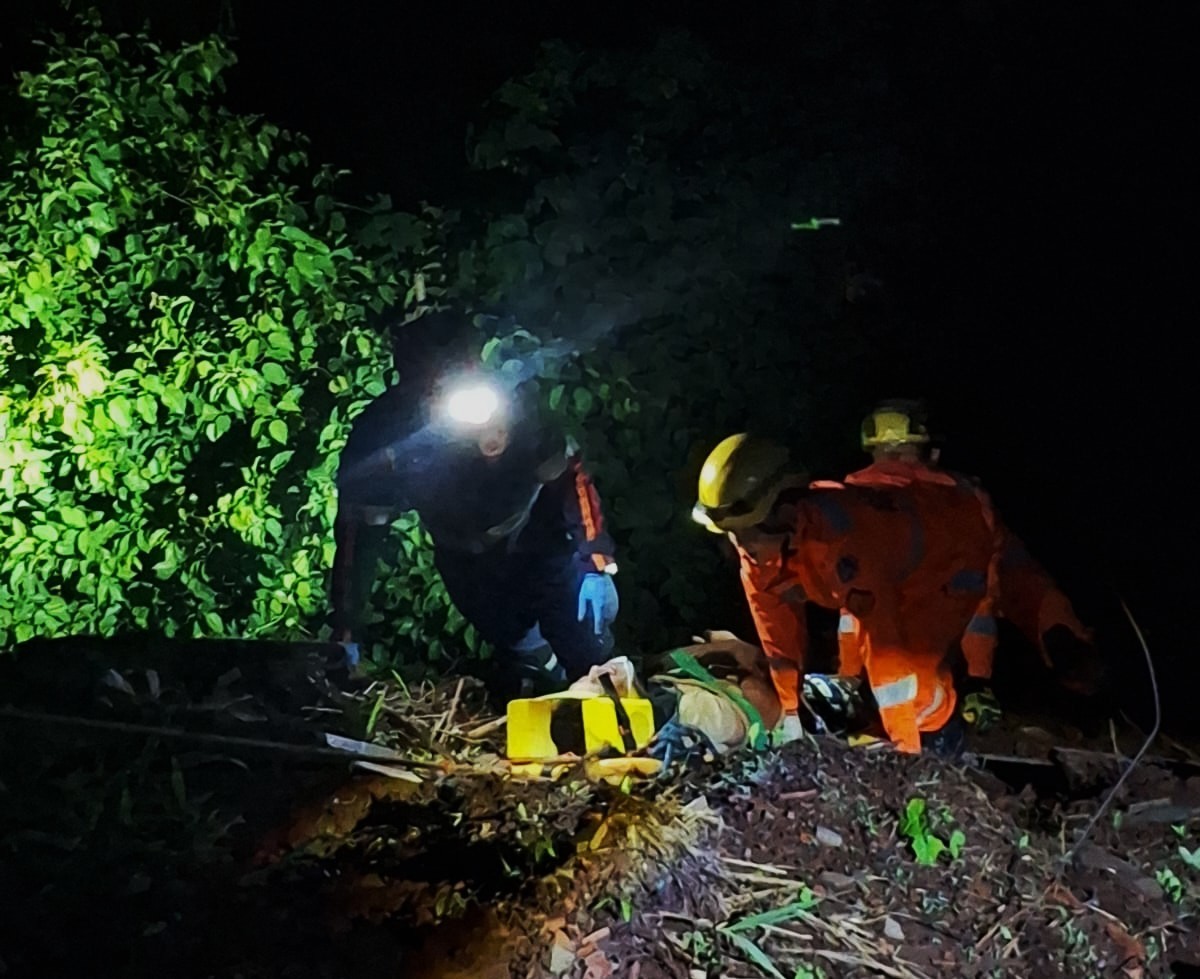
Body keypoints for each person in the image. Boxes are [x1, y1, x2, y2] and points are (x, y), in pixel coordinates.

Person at [330, 312, 619, 701]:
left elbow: (571, 475)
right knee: (526, 661)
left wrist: (595, 560)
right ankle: (546, 700)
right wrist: (347, 631)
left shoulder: (512, 410)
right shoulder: (384, 432)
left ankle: (614, 719)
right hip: (466, 563)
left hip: (545, 544)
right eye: (426, 385)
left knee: (586, 648)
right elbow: (357, 535)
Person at [692, 433, 1000, 755]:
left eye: (748, 531)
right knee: (860, 676)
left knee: (915, 689)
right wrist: (790, 712)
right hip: (875, 579)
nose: (742, 545)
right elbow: (777, 637)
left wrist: (905, 752)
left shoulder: (845, 540)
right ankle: (879, 720)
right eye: (731, 533)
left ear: (784, 511)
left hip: (945, 560)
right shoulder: (761, 551)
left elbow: (886, 645)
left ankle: (941, 737)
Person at [846, 399, 1101, 731]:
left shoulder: (852, 500)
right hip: (925, 656)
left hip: (876, 672)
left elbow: (982, 597)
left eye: (898, 453)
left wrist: (978, 679)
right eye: (884, 455)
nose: (891, 465)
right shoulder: (956, 503)